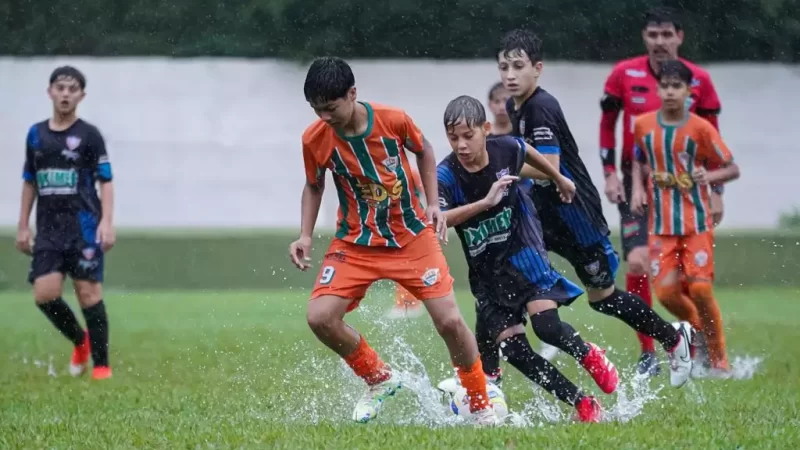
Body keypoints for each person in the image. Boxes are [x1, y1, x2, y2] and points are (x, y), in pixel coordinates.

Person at [288, 56, 498, 425]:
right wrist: (305, 234)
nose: (324, 117)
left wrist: (433, 204)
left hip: (411, 237)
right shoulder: (315, 139)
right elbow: (313, 184)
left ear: (352, 94)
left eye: (331, 108)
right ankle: (380, 379)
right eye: (316, 109)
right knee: (320, 317)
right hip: (354, 243)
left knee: (449, 321)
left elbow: (425, 150)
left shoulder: (392, 120)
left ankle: (480, 403)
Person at [497, 29, 694, 387]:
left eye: (518, 66)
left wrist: (494, 164)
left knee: (602, 297)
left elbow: (550, 163)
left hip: (577, 216)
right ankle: (496, 366)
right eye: (504, 67)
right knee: (513, 269)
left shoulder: (541, 107)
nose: (510, 75)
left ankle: (673, 338)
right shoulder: (515, 106)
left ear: (537, 69)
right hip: (545, 212)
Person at [437, 95, 605, 422]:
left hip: (525, 256)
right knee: (514, 350)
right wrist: (486, 202)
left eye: (468, 135)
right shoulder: (446, 174)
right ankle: (583, 403)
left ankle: (589, 354)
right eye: (453, 137)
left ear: (485, 130)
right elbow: (440, 218)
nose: (461, 144)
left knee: (547, 326)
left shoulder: (504, 149)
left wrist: (559, 178)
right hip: (487, 276)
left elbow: (525, 149)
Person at [599, 6, 724, 374]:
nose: (659, 42)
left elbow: (714, 139)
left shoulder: (699, 80)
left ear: (679, 37)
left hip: (685, 187)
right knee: (637, 261)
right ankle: (648, 351)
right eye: (653, 35)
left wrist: (718, 191)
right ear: (644, 38)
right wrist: (609, 172)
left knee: (683, 276)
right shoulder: (624, 74)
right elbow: (608, 125)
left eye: (667, 34)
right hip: (635, 179)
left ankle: (699, 341)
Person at [630, 60, 740, 375]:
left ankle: (719, 359)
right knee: (665, 292)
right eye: (664, 85)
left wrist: (710, 175)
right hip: (661, 226)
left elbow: (732, 167)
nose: (669, 92)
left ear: (689, 92)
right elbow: (638, 159)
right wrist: (637, 188)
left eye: (676, 86)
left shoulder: (701, 129)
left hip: (697, 223)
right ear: (658, 88)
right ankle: (700, 334)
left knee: (701, 289)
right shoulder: (643, 126)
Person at [15, 66, 115, 380]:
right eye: (61, 88)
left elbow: (106, 181)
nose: (66, 94)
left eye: (73, 89)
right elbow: (29, 181)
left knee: (89, 293)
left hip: (84, 226)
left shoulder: (89, 135)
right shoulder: (36, 135)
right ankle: (79, 341)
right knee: (44, 294)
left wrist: (107, 223)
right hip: (48, 229)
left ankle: (101, 366)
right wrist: (22, 225)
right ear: (50, 92)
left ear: (81, 96)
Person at [387, 168, 425, 320]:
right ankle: (406, 302)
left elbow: (422, 194)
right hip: (398, 226)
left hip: (408, 225)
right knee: (403, 266)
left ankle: (409, 303)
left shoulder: (410, 173)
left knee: (408, 266)